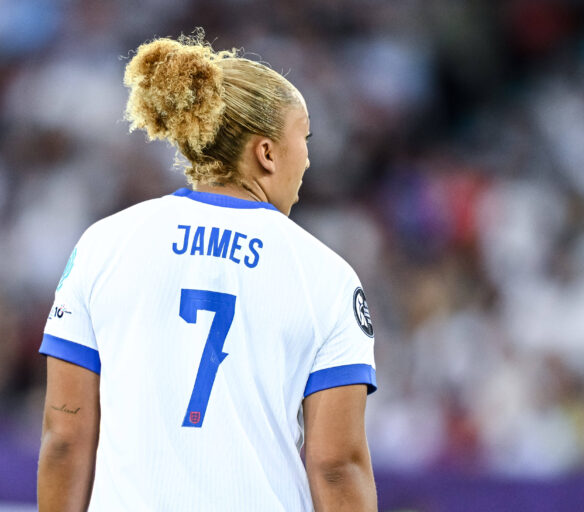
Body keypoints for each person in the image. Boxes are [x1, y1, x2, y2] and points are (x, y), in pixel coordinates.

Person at [36, 33, 378, 511]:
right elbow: (336, 466)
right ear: (266, 152)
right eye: (304, 138)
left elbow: (66, 438)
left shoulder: (105, 244)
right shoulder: (326, 274)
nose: (308, 159)